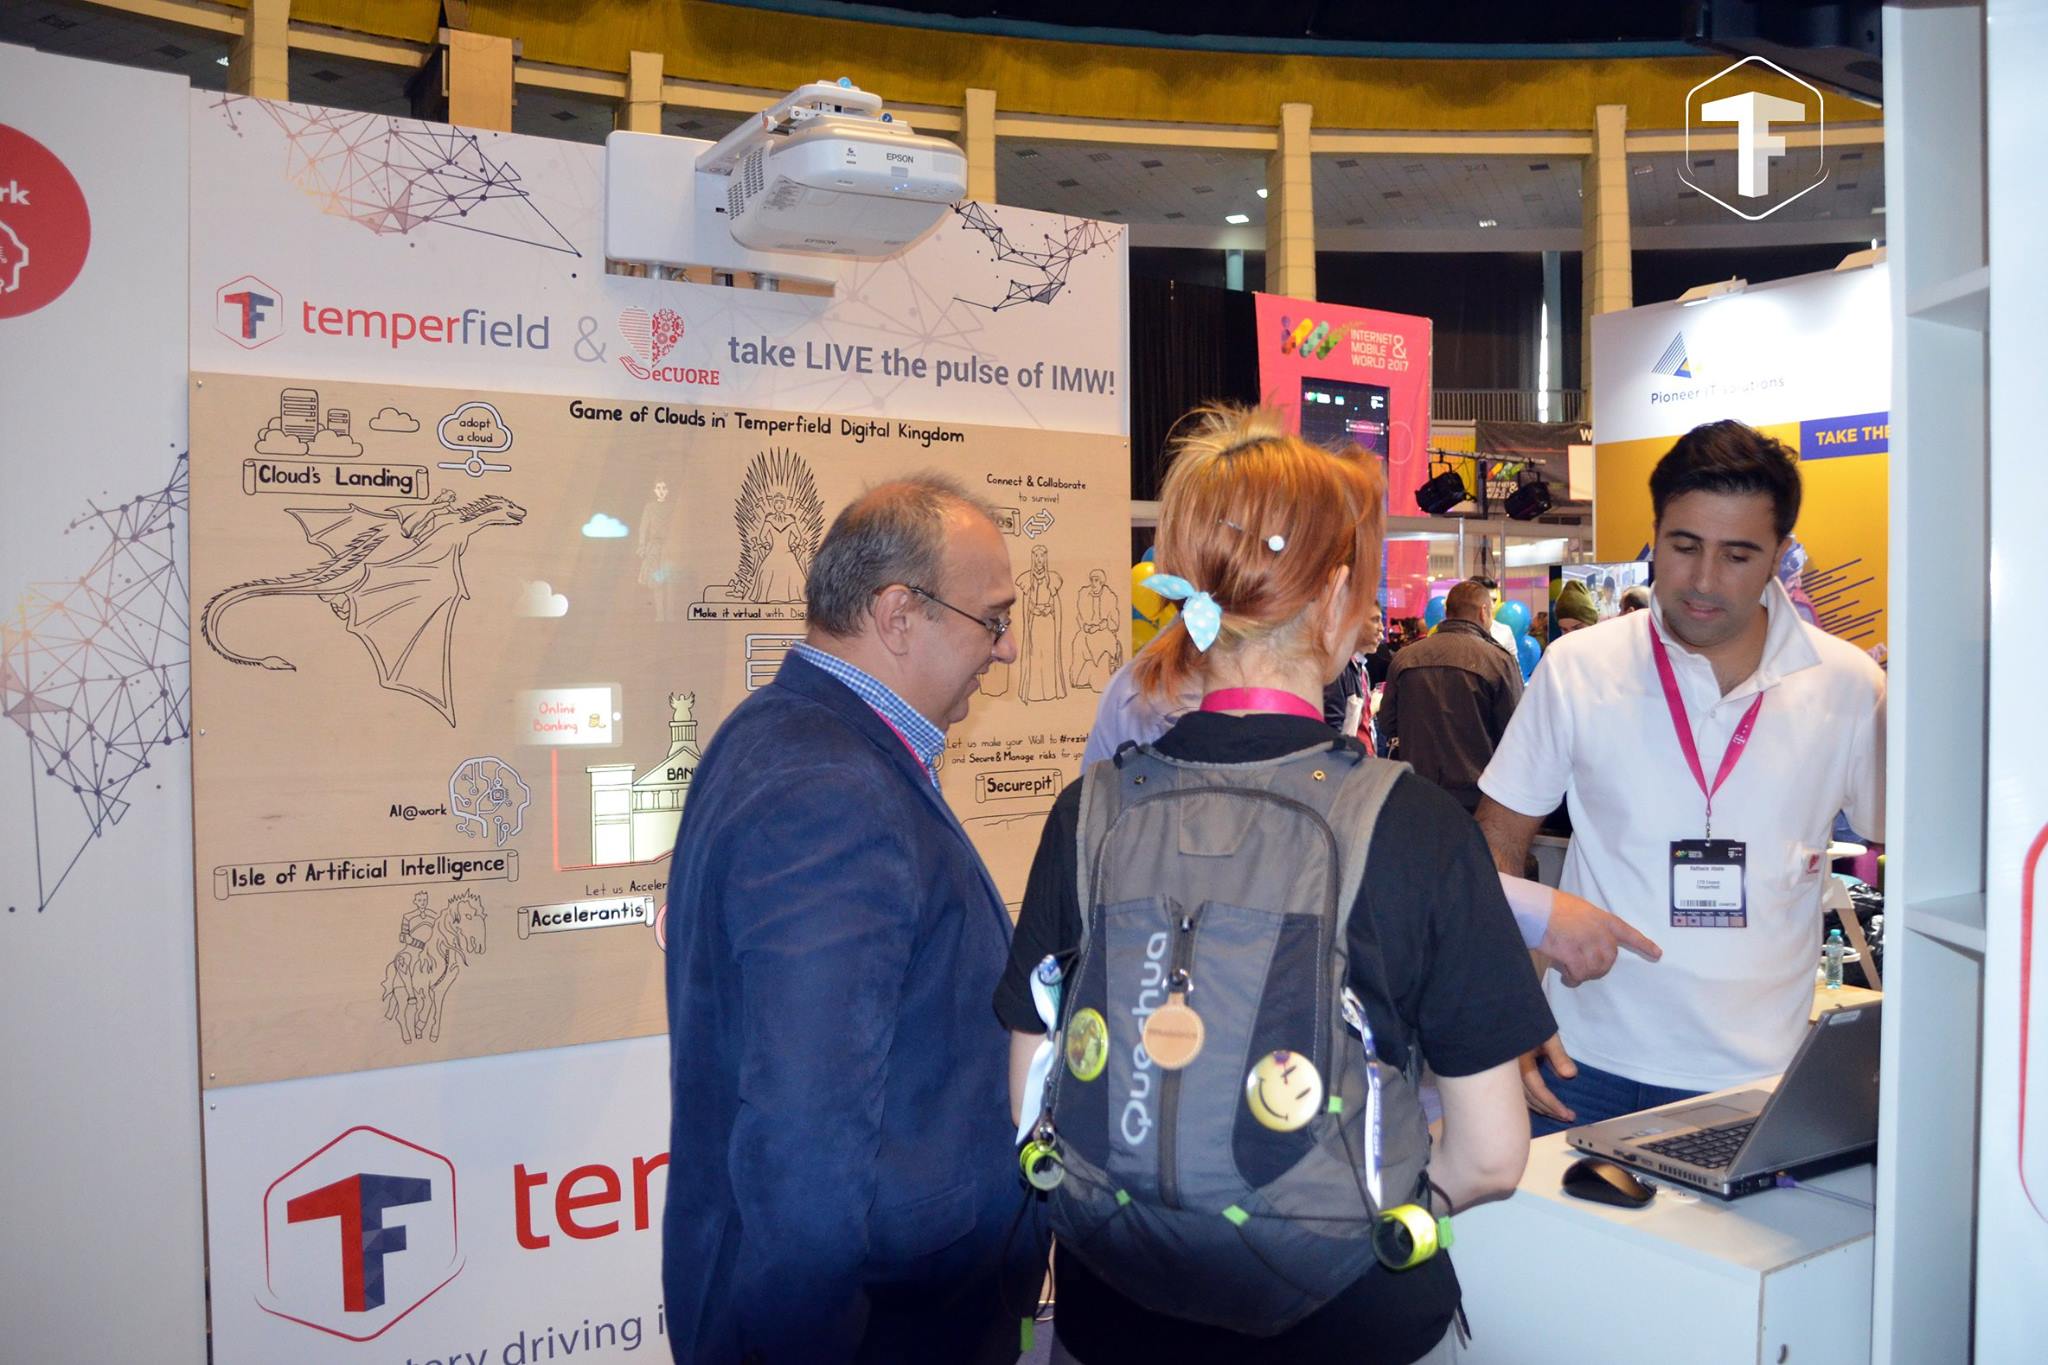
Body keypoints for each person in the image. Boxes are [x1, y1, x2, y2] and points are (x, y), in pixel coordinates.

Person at [997, 407, 1554, 1364]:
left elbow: (1031, 1092)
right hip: (1347, 1319)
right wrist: (1357, 1207)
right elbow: (1493, 1154)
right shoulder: (1414, 825)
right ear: (1335, 593)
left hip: (1114, 1315)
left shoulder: (1089, 811)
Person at [662, 476, 1030, 1364]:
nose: (1009, 648)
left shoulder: (786, 734)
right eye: (992, 619)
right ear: (899, 614)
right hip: (879, 1330)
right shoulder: (830, 790)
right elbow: (804, 1143)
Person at [1475, 420, 1885, 1136]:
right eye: (1684, 546)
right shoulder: (1581, 666)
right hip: (1583, 1060)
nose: (1702, 581)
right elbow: (1496, 837)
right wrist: (1505, 998)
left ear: (1779, 556)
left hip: (1757, 1077)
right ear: (1655, 537)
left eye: (1737, 555)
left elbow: (1919, 855)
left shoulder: (1848, 686)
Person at [1377, 581, 1524, 813]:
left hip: (1417, 791)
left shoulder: (1405, 658)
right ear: (1484, 612)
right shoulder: (1499, 662)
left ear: (1447, 613)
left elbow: (1388, 723)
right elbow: (1515, 734)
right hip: (1478, 797)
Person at [1322, 601, 1385, 752]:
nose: (1382, 628)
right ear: (1353, 621)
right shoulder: (1338, 669)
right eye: (1375, 620)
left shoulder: (1360, 668)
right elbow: (1333, 734)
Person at [1469, 576, 1518, 656]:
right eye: (1486, 599)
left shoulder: (1504, 632)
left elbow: (1513, 663)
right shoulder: (1459, 631)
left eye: (1494, 600)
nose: (1492, 605)